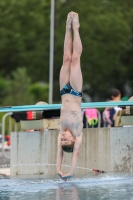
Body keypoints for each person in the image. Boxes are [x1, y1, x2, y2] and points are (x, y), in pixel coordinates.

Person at [56, 11, 83, 180]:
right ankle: (76, 28)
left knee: (66, 58)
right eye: (66, 140)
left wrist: (58, 169)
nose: (63, 138)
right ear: (73, 140)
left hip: (62, 91)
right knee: (75, 59)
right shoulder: (77, 132)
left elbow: (59, 154)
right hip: (74, 91)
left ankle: (67, 28)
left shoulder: (61, 131)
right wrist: (70, 173)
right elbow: (75, 155)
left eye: (62, 140)